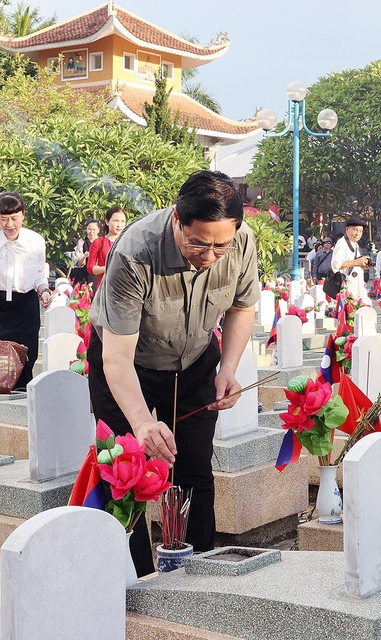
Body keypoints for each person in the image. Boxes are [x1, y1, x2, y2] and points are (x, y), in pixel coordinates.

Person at [87, 170, 259, 576]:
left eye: (221, 246)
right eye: (198, 243)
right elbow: (117, 358)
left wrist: (228, 369)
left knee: (194, 468)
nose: (210, 256)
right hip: (129, 367)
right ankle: (133, 582)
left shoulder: (241, 241)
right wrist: (143, 422)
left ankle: (197, 575)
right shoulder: (135, 251)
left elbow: (242, 306)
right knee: (125, 477)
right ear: (176, 220)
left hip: (195, 363)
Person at [0, 192, 51, 390]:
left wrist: (44, 291)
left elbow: (40, 274)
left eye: (14, 218)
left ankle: (22, 393)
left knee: (27, 350)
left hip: (25, 304)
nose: (9, 224)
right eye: (4, 219)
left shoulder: (35, 241)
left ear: (23, 215)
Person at [86, 206, 128, 289]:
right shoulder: (98, 242)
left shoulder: (129, 243)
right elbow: (90, 268)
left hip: (126, 287)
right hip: (105, 288)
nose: (119, 225)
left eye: (123, 221)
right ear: (107, 222)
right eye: (116, 221)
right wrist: (107, 268)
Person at [331, 218, 370, 298]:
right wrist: (357, 262)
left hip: (355, 285)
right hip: (346, 286)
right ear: (347, 229)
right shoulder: (342, 243)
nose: (357, 234)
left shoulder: (354, 244)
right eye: (355, 230)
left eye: (360, 231)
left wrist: (362, 265)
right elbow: (336, 265)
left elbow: (352, 262)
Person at [70, 219, 101, 285]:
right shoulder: (82, 242)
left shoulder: (102, 242)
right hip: (83, 275)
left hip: (98, 275)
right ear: (86, 229)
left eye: (94, 229)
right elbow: (77, 262)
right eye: (89, 229)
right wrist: (84, 256)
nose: (91, 232)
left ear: (98, 230)